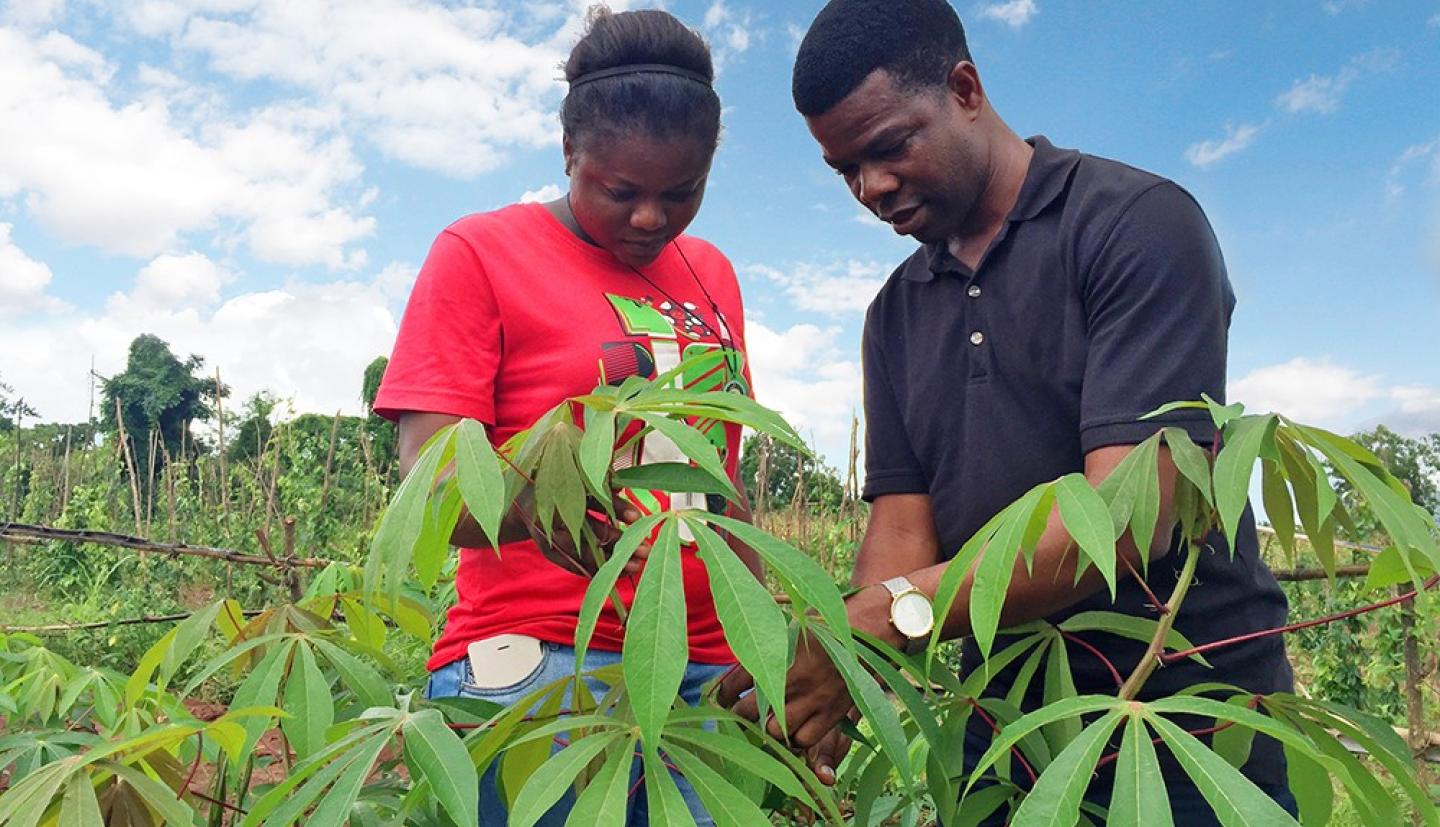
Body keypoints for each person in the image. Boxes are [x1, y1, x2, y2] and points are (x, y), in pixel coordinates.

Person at [719, 0, 1297, 822]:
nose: (870, 188)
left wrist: (881, 623)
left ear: (965, 89)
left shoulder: (1135, 225)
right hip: (1007, 728)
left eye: (889, 147)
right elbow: (903, 523)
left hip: (1186, 726)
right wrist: (847, 666)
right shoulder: (895, 313)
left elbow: (1127, 520)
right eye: (844, 169)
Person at [373, 8, 758, 825]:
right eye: (621, 191)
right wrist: (564, 496)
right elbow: (435, 487)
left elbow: (718, 484)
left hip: (710, 668)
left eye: (680, 192)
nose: (651, 218)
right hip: (547, 656)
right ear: (568, 154)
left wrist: (769, 642)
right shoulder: (479, 252)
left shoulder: (714, 273)